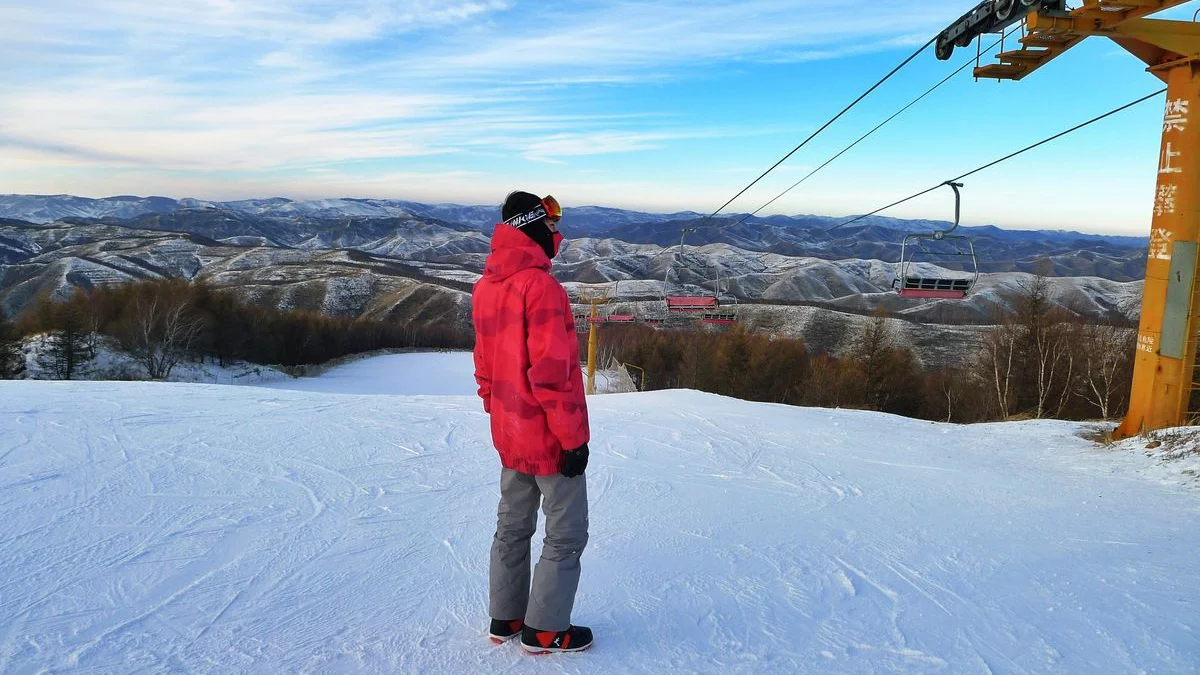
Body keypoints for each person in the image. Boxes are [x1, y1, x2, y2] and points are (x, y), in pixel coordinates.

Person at [471, 190, 593, 654]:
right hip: (547, 438)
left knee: (512, 525)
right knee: (565, 533)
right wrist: (573, 440)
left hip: (510, 433)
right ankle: (545, 630)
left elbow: (484, 367)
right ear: (535, 225)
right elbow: (553, 375)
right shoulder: (541, 288)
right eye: (551, 221)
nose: (556, 230)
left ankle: (506, 618)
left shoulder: (486, 286)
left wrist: (499, 413)